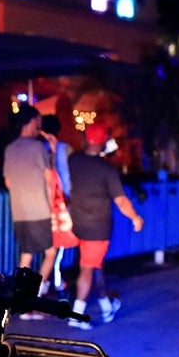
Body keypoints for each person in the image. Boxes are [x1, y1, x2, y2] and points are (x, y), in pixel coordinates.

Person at [65, 122, 143, 330]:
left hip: (78, 222)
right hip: (97, 226)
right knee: (87, 268)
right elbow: (121, 201)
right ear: (104, 143)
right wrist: (136, 218)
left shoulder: (74, 160)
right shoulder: (107, 169)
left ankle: (106, 304)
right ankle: (76, 315)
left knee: (95, 263)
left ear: (85, 139)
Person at [2, 104, 57, 312]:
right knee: (51, 251)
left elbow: (8, 182)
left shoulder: (10, 148)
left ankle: (22, 299)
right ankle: (34, 296)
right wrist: (52, 150)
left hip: (20, 211)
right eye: (39, 123)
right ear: (33, 122)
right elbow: (49, 177)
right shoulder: (37, 147)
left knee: (27, 253)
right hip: (39, 209)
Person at [40, 113, 76, 294]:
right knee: (58, 243)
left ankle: (50, 281)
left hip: (44, 202)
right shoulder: (65, 148)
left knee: (51, 245)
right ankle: (55, 280)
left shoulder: (39, 148)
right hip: (64, 200)